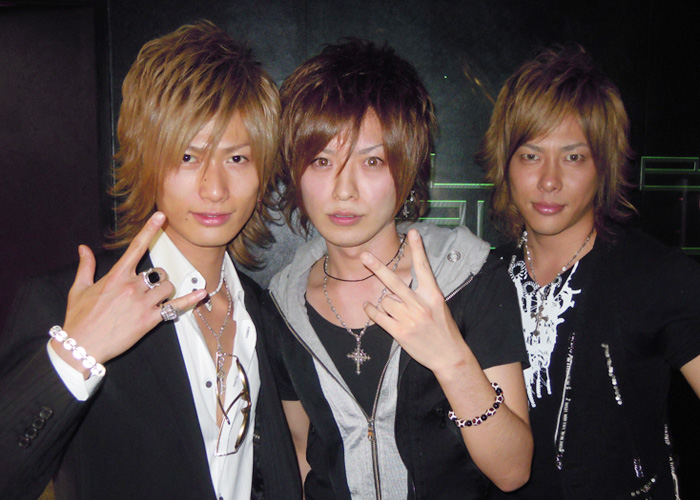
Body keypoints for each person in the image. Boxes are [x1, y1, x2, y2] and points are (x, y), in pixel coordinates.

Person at [0, 21, 301, 500]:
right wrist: (75, 354)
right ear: (147, 161)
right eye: (187, 156)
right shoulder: (68, 303)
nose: (214, 188)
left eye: (237, 159)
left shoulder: (260, 312)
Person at [263, 39, 533, 499]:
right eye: (322, 161)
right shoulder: (283, 302)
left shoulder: (469, 278)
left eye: (372, 161)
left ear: (405, 171)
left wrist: (452, 360)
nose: (344, 190)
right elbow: (301, 448)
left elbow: (513, 471)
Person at [478, 46, 700, 499]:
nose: (549, 180)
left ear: (604, 165)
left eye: (573, 157)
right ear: (506, 162)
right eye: (531, 155)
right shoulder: (480, 278)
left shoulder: (655, 275)